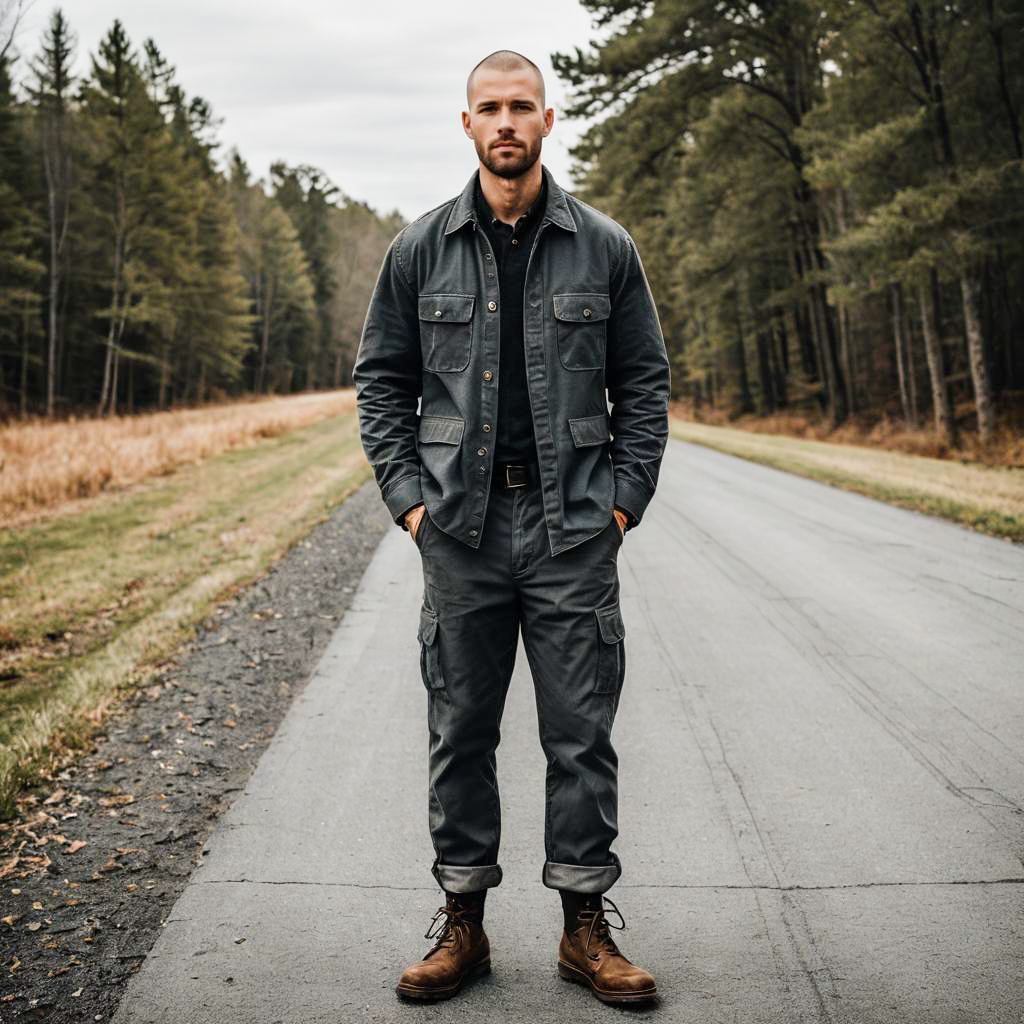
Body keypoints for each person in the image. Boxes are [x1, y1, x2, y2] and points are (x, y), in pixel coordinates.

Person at [353, 48, 670, 1005]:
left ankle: (584, 929)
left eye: (520, 106)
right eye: (488, 107)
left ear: (546, 119)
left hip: (574, 526)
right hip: (460, 527)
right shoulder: (419, 249)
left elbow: (644, 384)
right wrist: (411, 504)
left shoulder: (604, 246)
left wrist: (621, 502)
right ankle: (464, 924)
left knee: (581, 737)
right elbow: (382, 384)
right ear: (465, 124)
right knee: (462, 732)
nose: (505, 122)